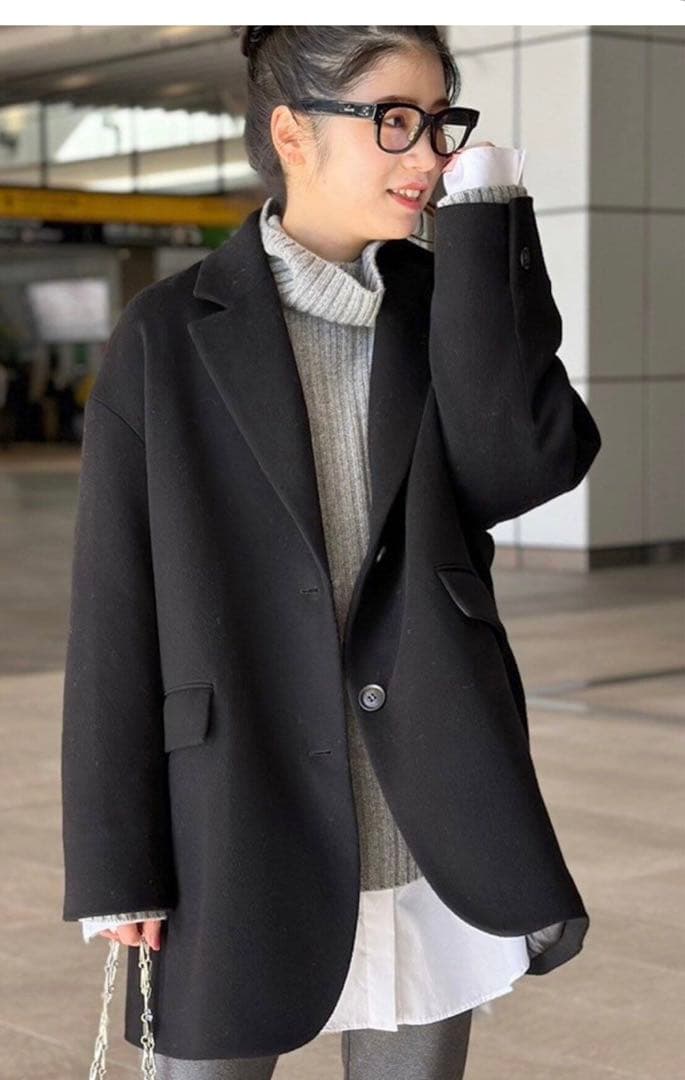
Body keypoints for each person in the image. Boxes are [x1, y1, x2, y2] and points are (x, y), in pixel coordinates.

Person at [62, 25, 601, 1080]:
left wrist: (488, 220)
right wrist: (116, 864)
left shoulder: (443, 306)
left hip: (428, 816)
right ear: (290, 133)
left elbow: (524, 463)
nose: (428, 153)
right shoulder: (167, 333)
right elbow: (113, 611)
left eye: (440, 123)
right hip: (234, 809)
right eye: (393, 120)